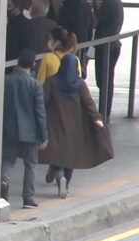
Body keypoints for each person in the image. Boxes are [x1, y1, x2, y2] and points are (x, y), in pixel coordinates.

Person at [39, 54, 113, 198]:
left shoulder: (51, 82)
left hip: (55, 124)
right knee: (70, 157)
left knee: (56, 156)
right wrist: (97, 118)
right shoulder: (80, 84)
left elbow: (43, 101)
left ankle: (60, 177)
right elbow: (88, 103)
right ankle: (65, 186)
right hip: (75, 126)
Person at [0, 49, 48, 208]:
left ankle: (4, 182)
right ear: (33, 65)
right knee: (31, 164)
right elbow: (40, 111)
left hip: (9, 129)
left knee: (7, 160)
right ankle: (28, 198)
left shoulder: (6, 81)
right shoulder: (35, 85)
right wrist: (44, 135)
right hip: (30, 132)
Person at [92, 0, 124, 119]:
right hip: (114, 45)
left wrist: (95, 8)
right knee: (108, 78)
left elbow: (95, 22)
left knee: (103, 80)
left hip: (105, 47)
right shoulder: (118, 3)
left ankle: (104, 111)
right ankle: (105, 110)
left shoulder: (108, 3)